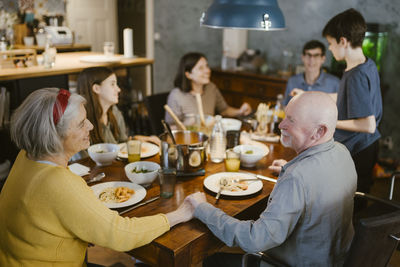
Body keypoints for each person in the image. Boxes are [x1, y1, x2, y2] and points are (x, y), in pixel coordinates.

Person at [0, 88, 194, 266]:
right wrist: (179, 214)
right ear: (53, 135)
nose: (91, 126)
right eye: (82, 123)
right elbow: (120, 233)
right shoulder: (59, 183)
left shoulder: (25, 158)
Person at [186, 92, 357, 267]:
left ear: (319, 131)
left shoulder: (297, 177)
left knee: (209, 260)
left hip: (293, 262)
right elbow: (318, 179)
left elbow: (255, 240)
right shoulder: (342, 152)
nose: (281, 125)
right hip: (333, 258)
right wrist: (291, 166)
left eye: (291, 120)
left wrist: (203, 209)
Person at [322, 8, 382, 196]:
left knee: (351, 204)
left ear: (343, 41)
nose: (330, 48)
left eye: (331, 43)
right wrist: (312, 96)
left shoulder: (356, 75)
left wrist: (329, 123)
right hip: (367, 146)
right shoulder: (365, 64)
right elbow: (346, 96)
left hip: (359, 149)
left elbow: (368, 124)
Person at [77, 67, 160, 145]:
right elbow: (82, 159)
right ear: (96, 88)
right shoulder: (79, 122)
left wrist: (139, 139)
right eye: (112, 84)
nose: (118, 89)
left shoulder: (114, 111)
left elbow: (121, 144)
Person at [165, 52, 252, 125]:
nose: (207, 70)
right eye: (201, 68)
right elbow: (170, 129)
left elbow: (224, 110)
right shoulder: (176, 96)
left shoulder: (211, 88)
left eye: (207, 66)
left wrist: (240, 111)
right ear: (188, 74)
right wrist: (187, 124)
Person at [283, 40, 340, 105]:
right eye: (308, 55)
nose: (311, 60)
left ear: (323, 59)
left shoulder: (335, 84)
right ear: (303, 57)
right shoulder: (292, 81)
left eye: (316, 55)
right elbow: (285, 107)